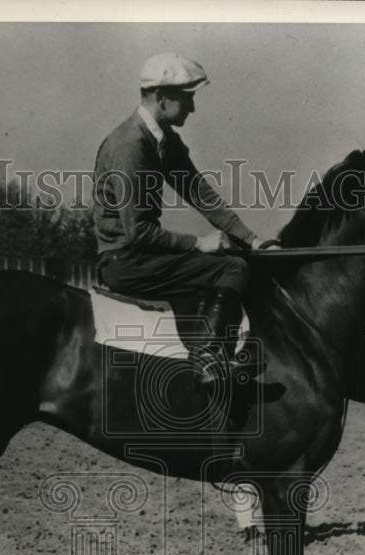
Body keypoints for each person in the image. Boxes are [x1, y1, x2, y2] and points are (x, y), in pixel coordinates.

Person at [92, 52, 276, 386]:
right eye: (187, 98)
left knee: (238, 255)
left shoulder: (163, 140)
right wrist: (199, 242)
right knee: (233, 268)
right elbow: (139, 232)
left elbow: (199, 193)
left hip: (140, 255)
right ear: (161, 98)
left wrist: (254, 240)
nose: (192, 108)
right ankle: (206, 358)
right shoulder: (131, 145)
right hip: (125, 260)